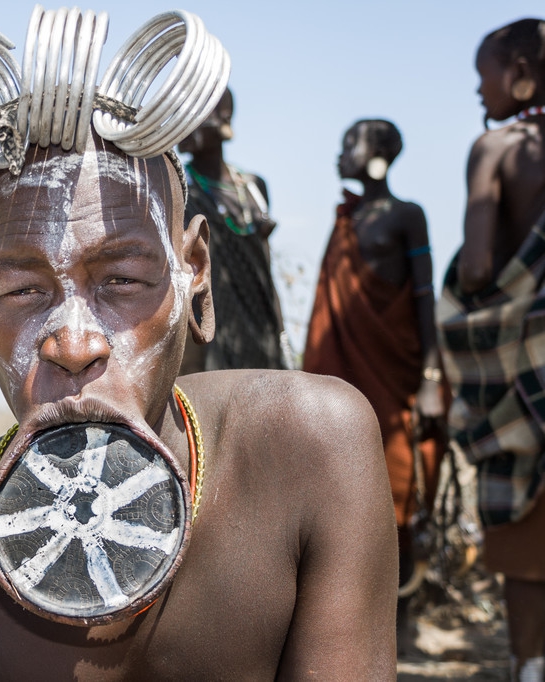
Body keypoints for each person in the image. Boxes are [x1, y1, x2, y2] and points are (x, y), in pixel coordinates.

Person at [0, 8, 398, 680]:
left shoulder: (310, 451)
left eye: (123, 280)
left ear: (193, 269)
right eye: (22, 291)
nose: (73, 343)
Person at [302, 118, 447, 652]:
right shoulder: (346, 218)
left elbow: (425, 300)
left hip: (397, 378)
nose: (341, 154)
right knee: (342, 497)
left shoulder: (408, 216)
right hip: (344, 379)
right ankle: (351, 624)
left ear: (380, 153)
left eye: (351, 144)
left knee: (399, 493)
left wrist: (431, 378)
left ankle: (402, 621)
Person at [436, 18, 545, 681]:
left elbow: (477, 268)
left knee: (523, 537)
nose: (479, 93)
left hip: (524, 366)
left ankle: (529, 664)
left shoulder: (497, 147)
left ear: (519, 71)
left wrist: (465, 294)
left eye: (483, 76)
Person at [176, 88, 290, 373]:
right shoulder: (179, 188)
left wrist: (281, 332)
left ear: (223, 118)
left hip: (260, 325)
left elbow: (266, 266)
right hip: (211, 329)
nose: (180, 125)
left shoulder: (253, 187)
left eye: (192, 114)